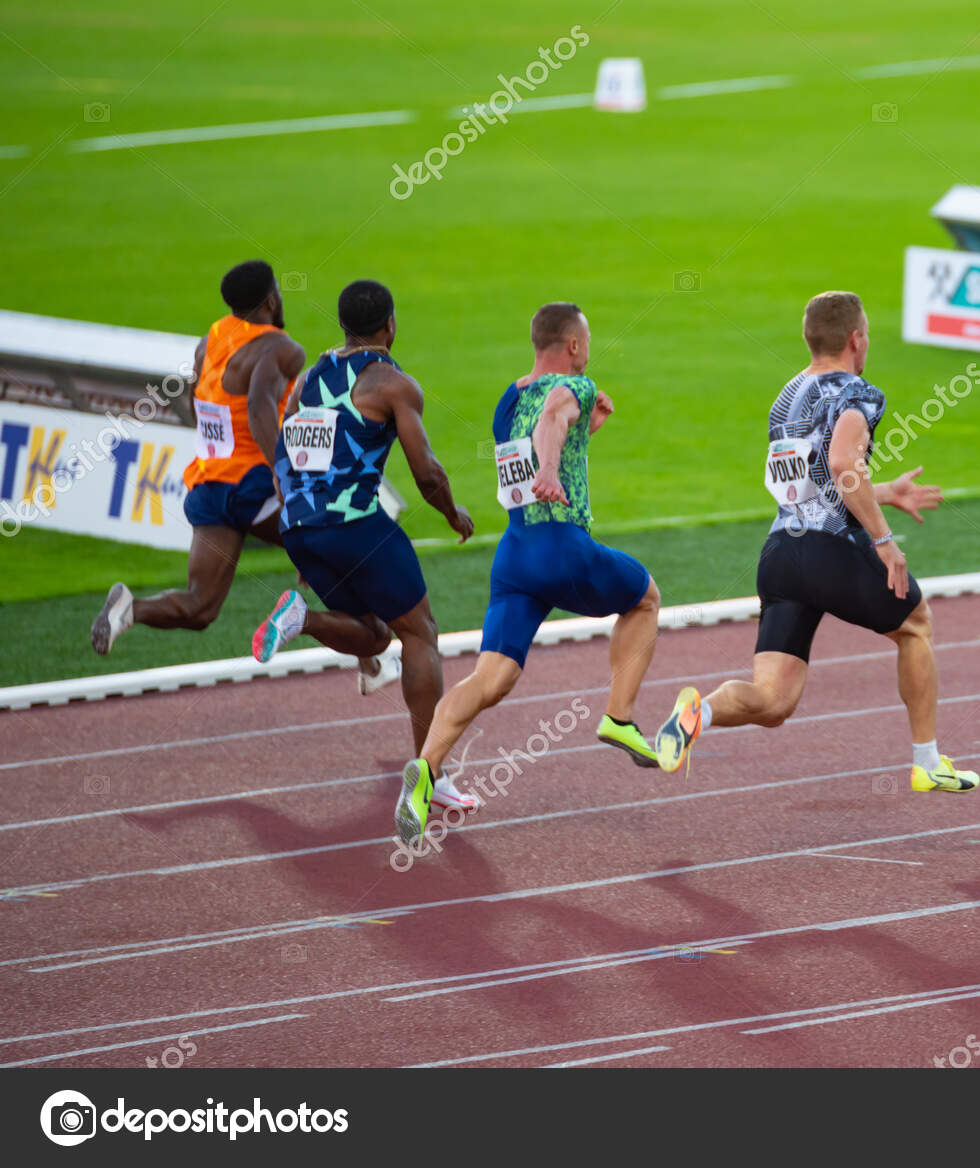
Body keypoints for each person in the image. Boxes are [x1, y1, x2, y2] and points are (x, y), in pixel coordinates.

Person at [652, 290, 976, 793]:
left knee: (774, 701)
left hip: (782, 554)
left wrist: (885, 492)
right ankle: (927, 762)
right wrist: (884, 540)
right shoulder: (859, 392)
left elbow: (817, 479)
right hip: (829, 551)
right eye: (866, 334)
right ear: (855, 339)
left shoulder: (786, 397)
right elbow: (845, 465)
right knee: (915, 625)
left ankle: (702, 711)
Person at [397, 302, 663, 847]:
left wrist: (584, 434)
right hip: (562, 547)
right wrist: (549, 463)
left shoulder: (508, 398)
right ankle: (619, 716)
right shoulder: (575, 387)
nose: (588, 351)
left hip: (515, 557)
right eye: (586, 341)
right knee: (644, 600)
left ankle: (424, 771)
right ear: (571, 346)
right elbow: (552, 422)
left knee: (492, 679)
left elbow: (550, 429)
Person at [89, 260, 397, 692]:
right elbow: (258, 408)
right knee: (335, 556)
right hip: (253, 485)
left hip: (209, 484)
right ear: (272, 299)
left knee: (200, 608)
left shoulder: (209, 340)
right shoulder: (280, 348)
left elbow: (201, 402)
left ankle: (131, 610)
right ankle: (367, 651)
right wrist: (285, 477)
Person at [249, 279, 476, 828]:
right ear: (390, 324)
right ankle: (430, 775)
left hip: (300, 524)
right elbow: (426, 472)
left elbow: (283, 454)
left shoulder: (308, 380)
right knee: (420, 633)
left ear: (345, 325)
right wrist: (452, 513)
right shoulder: (394, 385)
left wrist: (297, 526)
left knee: (375, 635)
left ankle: (301, 619)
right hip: (354, 525)